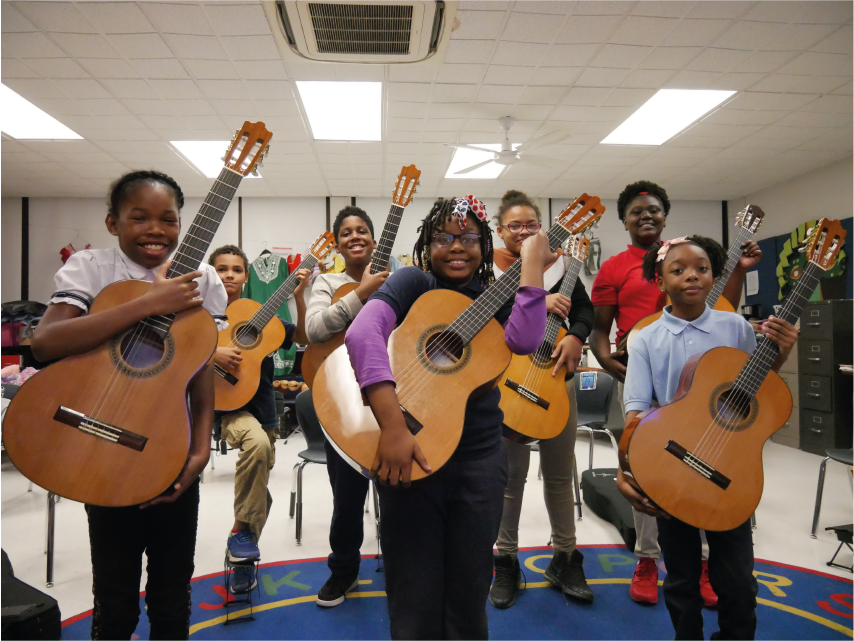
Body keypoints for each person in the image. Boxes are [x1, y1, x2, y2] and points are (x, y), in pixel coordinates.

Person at [31, 170, 228, 640]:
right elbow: (45, 343)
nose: (155, 230)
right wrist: (147, 303)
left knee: (171, 594)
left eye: (168, 219)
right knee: (115, 598)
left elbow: (200, 371)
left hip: (169, 444)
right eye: (139, 217)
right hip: (100, 440)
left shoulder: (203, 280)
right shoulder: (90, 269)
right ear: (112, 222)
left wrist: (201, 449)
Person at [344, 196, 551, 640]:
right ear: (426, 243)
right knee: (412, 590)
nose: (457, 247)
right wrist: (394, 427)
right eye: (443, 237)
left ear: (485, 243)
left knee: (470, 587)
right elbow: (362, 332)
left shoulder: (494, 295)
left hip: (479, 460)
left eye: (469, 238)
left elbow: (527, 339)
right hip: (409, 451)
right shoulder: (411, 283)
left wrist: (531, 265)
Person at [617, 236, 797, 641]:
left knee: (738, 582)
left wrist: (780, 355)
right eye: (677, 270)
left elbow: (757, 390)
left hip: (730, 470)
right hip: (672, 467)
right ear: (660, 281)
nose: (691, 276)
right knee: (680, 580)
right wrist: (626, 468)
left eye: (701, 268)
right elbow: (636, 410)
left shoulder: (734, 326)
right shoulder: (645, 338)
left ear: (714, 274)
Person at [589, 180, 760, 605]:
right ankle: (647, 559)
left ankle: (702, 562)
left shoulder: (688, 255)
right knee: (650, 473)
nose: (645, 217)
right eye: (636, 212)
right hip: (643, 374)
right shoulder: (613, 267)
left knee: (703, 468)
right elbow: (599, 327)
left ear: (665, 215)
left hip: (702, 388)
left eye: (654, 211)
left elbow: (722, 313)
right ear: (624, 219)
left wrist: (735, 269)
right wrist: (609, 361)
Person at [488, 190, 595, 608]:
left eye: (531, 224)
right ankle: (506, 561)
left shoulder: (564, 265)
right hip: (509, 383)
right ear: (500, 231)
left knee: (558, 473)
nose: (524, 231)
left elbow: (587, 312)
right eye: (514, 225)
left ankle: (566, 557)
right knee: (509, 478)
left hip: (555, 379)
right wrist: (535, 302)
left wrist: (575, 334)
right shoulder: (490, 269)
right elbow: (487, 321)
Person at [302, 206, 390, 607]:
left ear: (374, 238)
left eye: (362, 231)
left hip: (391, 394)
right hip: (341, 399)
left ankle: (402, 561)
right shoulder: (325, 281)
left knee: (399, 488)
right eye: (347, 233)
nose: (355, 237)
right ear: (337, 243)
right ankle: (343, 570)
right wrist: (362, 293)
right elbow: (315, 329)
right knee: (348, 495)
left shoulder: (398, 277)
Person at [211, 245, 309, 594]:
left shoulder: (258, 312)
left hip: (265, 405)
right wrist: (213, 351)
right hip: (227, 405)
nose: (229, 276)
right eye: (221, 269)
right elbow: (183, 351)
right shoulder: (203, 313)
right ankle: (242, 538)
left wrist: (298, 296)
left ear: (247, 275)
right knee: (254, 445)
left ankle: (242, 553)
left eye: (236, 269)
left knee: (259, 475)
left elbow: (302, 338)